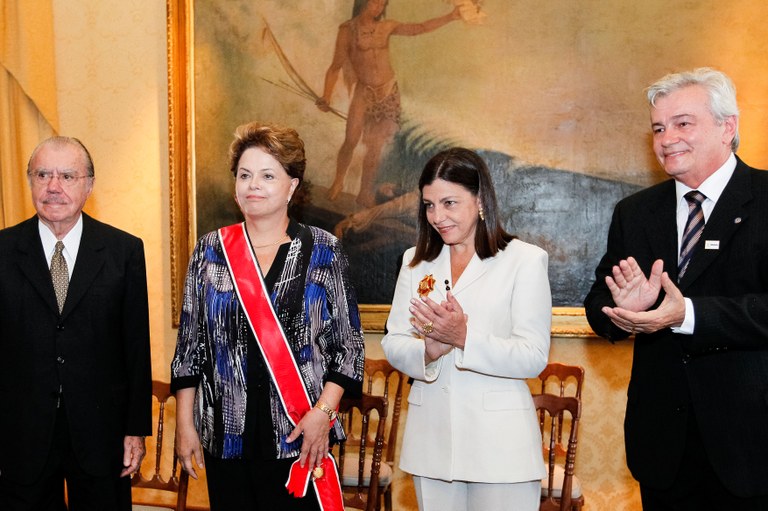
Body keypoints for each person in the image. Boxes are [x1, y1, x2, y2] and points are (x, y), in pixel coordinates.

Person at [584, 67, 768, 509]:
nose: (668, 139)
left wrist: (686, 314)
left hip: (752, 444)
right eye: (659, 128)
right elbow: (597, 305)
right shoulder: (636, 212)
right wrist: (622, 309)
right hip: (664, 446)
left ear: (728, 127)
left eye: (683, 124)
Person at [171, 121, 365, 510]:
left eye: (267, 175)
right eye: (244, 175)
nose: (252, 185)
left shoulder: (323, 249)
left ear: (292, 185)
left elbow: (349, 347)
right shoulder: (211, 250)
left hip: (300, 436)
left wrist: (323, 414)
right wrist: (184, 425)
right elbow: (189, 349)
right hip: (226, 436)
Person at [381, 147, 551, 511]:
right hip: (431, 442)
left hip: (501, 447)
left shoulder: (524, 260)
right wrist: (428, 351)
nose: (437, 216)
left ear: (480, 200)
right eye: (429, 205)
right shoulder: (415, 262)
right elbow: (394, 342)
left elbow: (532, 356)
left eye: (449, 203)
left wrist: (463, 338)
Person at [0, 136, 152, 510]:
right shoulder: (3, 251)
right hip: (20, 435)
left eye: (67, 175)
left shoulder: (124, 251)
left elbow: (136, 346)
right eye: (43, 174)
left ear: (89, 184)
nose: (54, 186)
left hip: (102, 434)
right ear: (30, 181)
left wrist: (136, 429)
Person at [316, 0, 461, 207]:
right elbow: (335, 66)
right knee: (351, 139)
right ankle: (338, 182)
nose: (378, 8)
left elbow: (418, 29)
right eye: (375, 2)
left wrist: (451, 16)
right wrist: (326, 96)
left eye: (382, 4)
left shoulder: (387, 26)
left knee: (375, 147)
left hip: (388, 92)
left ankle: (364, 193)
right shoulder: (348, 30)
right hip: (364, 92)